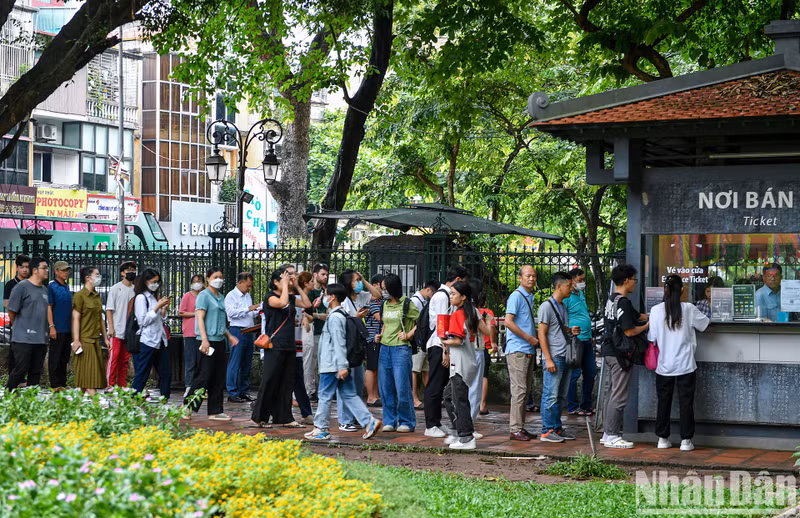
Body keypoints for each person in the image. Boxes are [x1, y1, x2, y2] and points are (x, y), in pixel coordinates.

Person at [304, 283, 382, 441]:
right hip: (338, 365)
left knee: (324, 395)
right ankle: (369, 422)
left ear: (332, 297)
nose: (324, 298)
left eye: (325, 295)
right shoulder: (341, 315)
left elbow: (339, 343)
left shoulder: (335, 317)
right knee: (349, 395)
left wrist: (341, 366)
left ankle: (321, 428)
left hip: (332, 365)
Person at [649, 274, 709, 452]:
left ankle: (662, 438)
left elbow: (652, 338)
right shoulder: (689, 309)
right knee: (686, 403)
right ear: (682, 290)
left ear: (664, 290)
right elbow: (705, 324)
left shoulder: (656, 311)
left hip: (664, 365)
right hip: (686, 365)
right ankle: (686, 441)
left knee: (663, 402)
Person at [251, 267, 311, 428]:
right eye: (284, 277)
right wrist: (285, 286)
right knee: (270, 379)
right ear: (275, 282)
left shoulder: (290, 297)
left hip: (289, 344)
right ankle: (259, 417)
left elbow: (307, 303)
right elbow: (282, 302)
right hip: (274, 344)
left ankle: (284, 417)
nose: (288, 279)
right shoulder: (269, 297)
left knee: (287, 381)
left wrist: (297, 286)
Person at [601, 263, 649, 449]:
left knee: (613, 392)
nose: (635, 284)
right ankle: (613, 434)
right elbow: (630, 331)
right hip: (620, 353)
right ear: (627, 280)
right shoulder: (624, 302)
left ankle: (607, 433)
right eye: (634, 280)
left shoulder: (612, 300)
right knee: (619, 395)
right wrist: (648, 327)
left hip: (610, 351)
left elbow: (638, 316)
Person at [184, 267, 239, 421]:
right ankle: (188, 406)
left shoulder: (220, 297)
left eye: (221, 276)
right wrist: (204, 339)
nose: (218, 279)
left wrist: (229, 336)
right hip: (206, 341)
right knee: (203, 375)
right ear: (208, 279)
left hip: (219, 341)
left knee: (218, 376)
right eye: (215, 276)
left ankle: (215, 410)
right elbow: (200, 318)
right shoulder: (203, 296)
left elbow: (221, 321)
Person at [441, 281, 489, 450]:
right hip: (468, 360)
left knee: (459, 400)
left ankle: (466, 436)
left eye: (454, 294)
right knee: (449, 396)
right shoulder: (471, 312)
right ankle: (458, 431)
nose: (451, 296)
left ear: (463, 297)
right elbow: (488, 331)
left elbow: (457, 340)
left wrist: (443, 340)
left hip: (459, 363)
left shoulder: (458, 314)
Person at [424, 265, 469, 438]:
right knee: (435, 385)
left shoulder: (441, 295)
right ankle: (430, 424)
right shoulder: (443, 297)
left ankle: (435, 422)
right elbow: (443, 325)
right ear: (457, 280)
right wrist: (446, 351)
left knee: (441, 384)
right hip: (439, 345)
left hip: (441, 345)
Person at [335, 269, 382, 431]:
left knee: (357, 382)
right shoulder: (342, 300)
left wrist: (364, 279)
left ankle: (354, 417)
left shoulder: (361, 295)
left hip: (357, 344)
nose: (359, 283)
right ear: (348, 283)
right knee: (346, 384)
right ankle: (344, 420)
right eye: (356, 280)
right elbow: (339, 321)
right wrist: (356, 317)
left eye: (359, 279)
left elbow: (377, 295)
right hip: (345, 344)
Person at [538, 271, 581, 443]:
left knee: (560, 395)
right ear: (559, 286)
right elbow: (542, 333)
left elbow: (559, 329)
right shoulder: (546, 307)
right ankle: (546, 430)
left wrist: (570, 331)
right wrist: (547, 358)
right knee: (550, 394)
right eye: (569, 285)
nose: (571, 288)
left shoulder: (562, 306)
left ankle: (556, 427)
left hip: (564, 355)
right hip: (554, 356)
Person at [376, 273, 420, 432]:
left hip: (401, 349)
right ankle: (389, 420)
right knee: (385, 387)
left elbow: (421, 321)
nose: (383, 291)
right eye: (382, 289)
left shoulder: (407, 304)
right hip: (384, 348)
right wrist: (380, 334)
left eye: (385, 289)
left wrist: (408, 335)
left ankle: (407, 421)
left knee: (402, 387)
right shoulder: (384, 304)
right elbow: (385, 323)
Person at [504, 265, 539, 441]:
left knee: (525, 390)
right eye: (527, 276)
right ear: (520, 278)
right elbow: (508, 322)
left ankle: (520, 427)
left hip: (526, 349)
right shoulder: (516, 296)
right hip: (518, 348)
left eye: (533, 276)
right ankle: (515, 428)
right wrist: (528, 337)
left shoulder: (529, 296)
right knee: (519, 390)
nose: (531, 279)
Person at [5, 256, 49, 390]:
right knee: (20, 369)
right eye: (44, 268)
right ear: (35, 270)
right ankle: (8, 395)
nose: (47, 270)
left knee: (35, 373)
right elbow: (11, 310)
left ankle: (31, 403)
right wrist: (20, 326)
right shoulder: (21, 287)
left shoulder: (44, 290)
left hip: (40, 339)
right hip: (23, 339)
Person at [131, 269, 172, 399]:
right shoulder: (141, 298)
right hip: (147, 340)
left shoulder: (155, 297)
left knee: (166, 373)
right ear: (146, 281)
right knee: (142, 373)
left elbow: (161, 319)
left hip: (160, 339)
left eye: (157, 282)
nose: (155, 284)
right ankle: (134, 398)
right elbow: (143, 320)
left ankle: (165, 399)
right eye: (153, 281)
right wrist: (156, 307)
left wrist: (163, 308)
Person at [72, 266, 110, 395]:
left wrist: (105, 338)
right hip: (85, 340)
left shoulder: (96, 296)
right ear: (88, 278)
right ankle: (97, 407)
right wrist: (76, 340)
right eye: (97, 274)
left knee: (85, 377)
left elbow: (100, 319)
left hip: (96, 340)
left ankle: (76, 408)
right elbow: (75, 318)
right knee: (89, 378)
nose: (99, 277)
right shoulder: (79, 296)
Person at [565, 268, 596, 417]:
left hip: (587, 339)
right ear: (571, 280)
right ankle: (572, 406)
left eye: (584, 280)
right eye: (580, 280)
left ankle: (586, 405)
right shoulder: (567, 296)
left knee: (590, 372)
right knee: (574, 373)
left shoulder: (580, 294)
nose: (582, 282)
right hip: (575, 341)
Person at [225, 272, 259, 403]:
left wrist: (257, 310)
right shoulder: (231, 296)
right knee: (235, 362)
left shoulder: (247, 296)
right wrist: (249, 308)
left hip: (249, 331)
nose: (249, 288)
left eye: (250, 286)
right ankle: (232, 392)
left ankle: (243, 391)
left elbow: (249, 313)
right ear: (240, 283)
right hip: (237, 331)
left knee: (247, 362)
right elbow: (231, 313)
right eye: (248, 285)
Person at [105, 261, 137, 388]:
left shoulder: (135, 290)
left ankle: (122, 385)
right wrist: (111, 327)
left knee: (124, 360)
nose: (131, 272)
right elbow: (109, 309)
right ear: (122, 273)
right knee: (114, 358)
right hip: (116, 330)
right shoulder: (115, 288)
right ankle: (110, 385)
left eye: (133, 270)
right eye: (128, 270)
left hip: (129, 331)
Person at [467, 279, 494, 424]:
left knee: (464, 387)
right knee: (474, 389)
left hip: (462, 351)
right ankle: (469, 422)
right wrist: (488, 321)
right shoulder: (475, 312)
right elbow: (487, 332)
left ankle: (462, 422)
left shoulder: (460, 309)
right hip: (476, 350)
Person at [410, 279, 440, 409]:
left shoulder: (423, 301)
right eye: (432, 293)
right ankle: (414, 397)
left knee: (425, 369)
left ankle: (430, 397)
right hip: (418, 340)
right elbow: (416, 323)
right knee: (415, 370)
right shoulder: (415, 301)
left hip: (425, 340)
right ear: (428, 290)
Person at [304, 263, 329, 401]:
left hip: (323, 331)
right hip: (312, 331)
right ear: (315, 275)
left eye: (326, 274)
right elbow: (305, 313)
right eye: (322, 274)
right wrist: (317, 313)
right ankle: (310, 390)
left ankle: (322, 388)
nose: (325, 277)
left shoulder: (325, 291)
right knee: (311, 362)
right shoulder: (309, 291)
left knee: (322, 362)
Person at [46, 261, 73, 390]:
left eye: (67, 270)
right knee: (55, 357)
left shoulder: (66, 286)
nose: (66, 272)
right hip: (58, 328)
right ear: (56, 271)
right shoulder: (52, 287)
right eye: (63, 270)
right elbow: (49, 307)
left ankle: (62, 382)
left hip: (68, 328)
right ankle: (55, 383)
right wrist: (52, 326)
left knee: (64, 357)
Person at [4, 254, 30, 383]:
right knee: (15, 352)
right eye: (22, 267)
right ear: (17, 268)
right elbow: (6, 304)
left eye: (27, 267)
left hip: (29, 324)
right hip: (16, 323)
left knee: (27, 353)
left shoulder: (31, 284)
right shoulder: (10, 284)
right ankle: (13, 379)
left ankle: (23, 378)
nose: (25, 270)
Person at [293, 271, 314, 424]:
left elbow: (307, 306)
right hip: (284, 345)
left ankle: (306, 413)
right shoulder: (279, 298)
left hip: (297, 343)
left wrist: (306, 318)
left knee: (299, 377)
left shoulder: (297, 297)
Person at [179, 275, 204, 396]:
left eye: (199, 281)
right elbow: (182, 312)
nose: (197, 284)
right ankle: (189, 386)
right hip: (190, 332)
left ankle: (200, 388)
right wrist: (196, 314)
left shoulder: (205, 296)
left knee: (201, 362)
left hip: (202, 333)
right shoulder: (187, 296)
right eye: (195, 282)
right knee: (190, 361)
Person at [364, 273, 385, 407]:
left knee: (376, 368)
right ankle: (370, 396)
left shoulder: (380, 300)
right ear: (375, 285)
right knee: (371, 367)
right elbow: (379, 318)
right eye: (382, 285)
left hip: (380, 339)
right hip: (372, 338)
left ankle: (376, 394)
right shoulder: (372, 301)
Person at [476, 289, 496, 416]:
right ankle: (482, 404)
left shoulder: (470, 311)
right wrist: (494, 342)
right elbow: (492, 327)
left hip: (473, 347)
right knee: (484, 376)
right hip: (485, 346)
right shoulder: (487, 313)